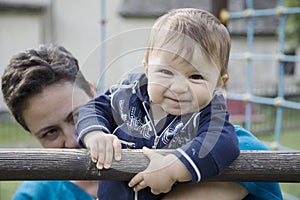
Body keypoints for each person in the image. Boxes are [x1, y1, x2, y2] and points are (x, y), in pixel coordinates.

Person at [76, 8, 282, 200]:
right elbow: (92, 109)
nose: (179, 87)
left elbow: (224, 144)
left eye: (195, 76)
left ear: (219, 82)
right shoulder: (127, 95)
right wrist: (95, 135)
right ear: (147, 69)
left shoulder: (209, 113)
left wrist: (174, 167)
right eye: (166, 72)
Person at [1, 45, 99, 199]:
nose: (73, 141)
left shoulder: (145, 156)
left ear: (93, 94)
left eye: (78, 116)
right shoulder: (32, 196)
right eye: (50, 132)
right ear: (32, 133)